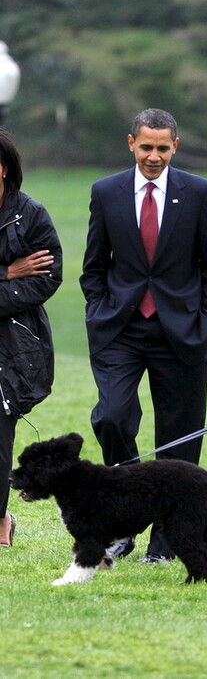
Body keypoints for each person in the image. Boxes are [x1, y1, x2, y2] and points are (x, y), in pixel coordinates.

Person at [80, 109, 207, 563]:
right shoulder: (106, 192)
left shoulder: (200, 193)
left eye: (163, 148)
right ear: (131, 143)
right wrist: (100, 312)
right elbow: (94, 267)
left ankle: (163, 543)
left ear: (175, 147)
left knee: (180, 441)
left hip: (182, 334)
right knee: (112, 417)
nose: (155, 156)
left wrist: (205, 323)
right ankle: (124, 518)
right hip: (120, 329)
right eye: (147, 147)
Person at [0, 129, 62, 547]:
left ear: (3, 168)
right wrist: (5, 273)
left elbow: (47, 278)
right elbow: (19, 278)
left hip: (14, 344)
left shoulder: (30, 215)